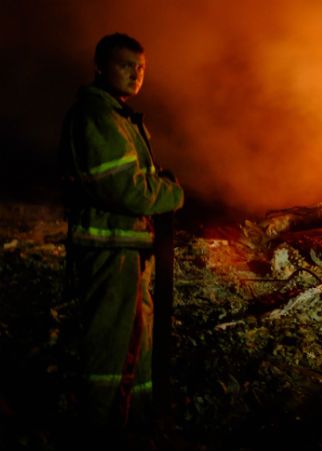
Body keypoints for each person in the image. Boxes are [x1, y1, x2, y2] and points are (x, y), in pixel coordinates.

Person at [58, 32, 184, 440]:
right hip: (108, 250)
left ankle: (133, 422)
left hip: (125, 249)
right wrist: (173, 193)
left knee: (135, 340)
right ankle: (97, 431)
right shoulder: (97, 116)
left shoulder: (117, 116)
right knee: (109, 345)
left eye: (141, 68)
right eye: (126, 65)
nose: (136, 74)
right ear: (100, 67)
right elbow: (126, 189)